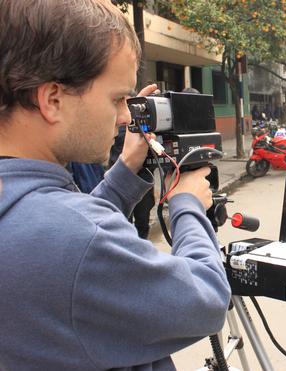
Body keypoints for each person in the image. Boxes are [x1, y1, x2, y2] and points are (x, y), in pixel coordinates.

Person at [0, 1, 230, 370]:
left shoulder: (23, 210)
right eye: (117, 98)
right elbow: (206, 301)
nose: (126, 116)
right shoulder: (75, 236)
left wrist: (124, 170)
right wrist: (186, 205)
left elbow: (62, 242)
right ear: (53, 99)